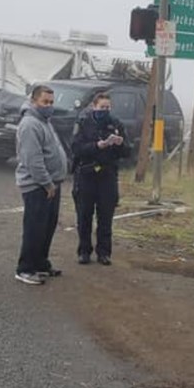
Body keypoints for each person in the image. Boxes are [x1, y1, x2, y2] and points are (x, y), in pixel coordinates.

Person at [13, 84, 68, 285]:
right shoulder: (30, 124)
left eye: (51, 102)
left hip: (52, 184)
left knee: (47, 227)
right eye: (45, 102)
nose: (49, 106)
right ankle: (25, 268)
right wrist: (47, 183)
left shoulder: (45, 121)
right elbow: (32, 160)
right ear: (34, 101)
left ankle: (40, 263)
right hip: (38, 186)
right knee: (34, 228)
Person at [70, 92, 129, 266]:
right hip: (86, 174)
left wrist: (120, 144)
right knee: (84, 216)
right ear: (94, 107)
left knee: (105, 218)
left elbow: (127, 151)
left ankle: (104, 253)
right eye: (102, 107)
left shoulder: (115, 124)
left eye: (108, 107)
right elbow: (75, 148)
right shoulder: (83, 123)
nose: (105, 110)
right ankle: (84, 251)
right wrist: (97, 145)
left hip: (107, 175)